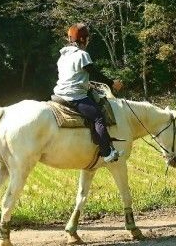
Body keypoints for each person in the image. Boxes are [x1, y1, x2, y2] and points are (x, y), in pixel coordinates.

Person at [53, 23, 124, 162]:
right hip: (74, 96)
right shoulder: (82, 55)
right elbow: (95, 73)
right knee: (98, 117)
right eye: (87, 38)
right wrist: (112, 83)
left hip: (59, 94)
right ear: (82, 40)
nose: (88, 41)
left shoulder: (63, 56)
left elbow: (71, 75)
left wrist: (86, 83)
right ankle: (107, 152)